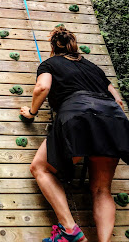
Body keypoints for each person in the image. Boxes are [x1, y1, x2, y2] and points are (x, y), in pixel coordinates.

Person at [20, 26, 129, 242]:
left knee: (40, 168)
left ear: (53, 47)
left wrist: (31, 112)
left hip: (78, 117)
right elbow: (117, 100)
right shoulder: (94, 68)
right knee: (101, 189)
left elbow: (42, 88)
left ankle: (70, 230)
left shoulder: (49, 64)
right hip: (113, 120)